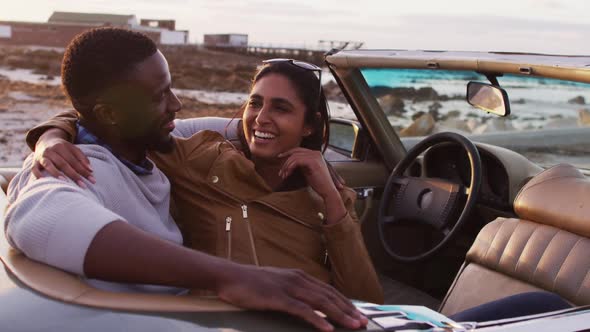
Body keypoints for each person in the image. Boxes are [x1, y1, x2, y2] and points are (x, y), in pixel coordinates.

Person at [3, 27, 368, 332]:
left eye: (170, 88)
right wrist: (232, 276)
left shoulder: (154, 146)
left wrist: (52, 130)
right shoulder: (86, 168)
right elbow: (43, 214)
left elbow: (247, 127)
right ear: (112, 114)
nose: (176, 105)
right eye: (160, 95)